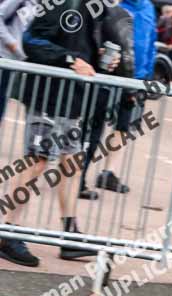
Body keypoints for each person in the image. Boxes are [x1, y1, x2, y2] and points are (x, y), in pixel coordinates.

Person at [0, 0, 119, 267]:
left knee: (72, 163)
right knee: (38, 159)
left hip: (72, 98)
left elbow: (82, 48)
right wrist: (69, 60)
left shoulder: (94, 7)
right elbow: (31, 40)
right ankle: (8, 231)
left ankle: (69, 235)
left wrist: (102, 61)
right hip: (47, 95)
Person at [78, 0, 157, 199]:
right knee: (92, 129)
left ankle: (108, 172)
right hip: (108, 74)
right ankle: (78, 177)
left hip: (136, 78)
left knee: (124, 128)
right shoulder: (111, 4)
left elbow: (150, 42)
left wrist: (146, 75)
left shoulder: (148, 7)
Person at [0, 0, 33, 121]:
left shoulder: (41, 5)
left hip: (13, 61)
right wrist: (12, 44)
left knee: (2, 100)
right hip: (3, 56)